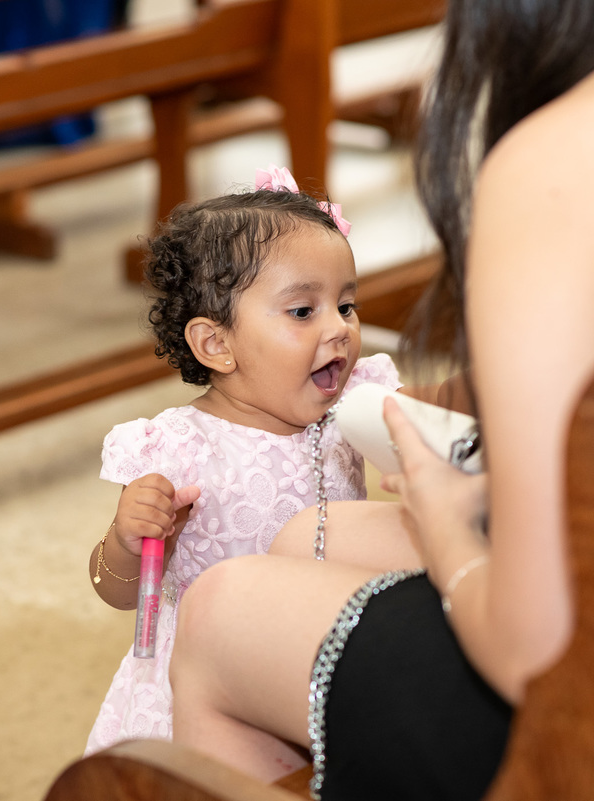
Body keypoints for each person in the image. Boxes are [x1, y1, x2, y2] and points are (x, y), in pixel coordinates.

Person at [168, 1, 594, 798]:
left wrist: (452, 529)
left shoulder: (564, 163)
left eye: (345, 305)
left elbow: (536, 647)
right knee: (304, 539)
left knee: (222, 610)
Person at [84, 167, 414, 755]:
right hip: (213, 677)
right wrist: (127, 541)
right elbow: (116, 592)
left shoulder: (351, 409)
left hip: (322, 641)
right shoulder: (181, 448)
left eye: (346, 304)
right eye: (303, 312)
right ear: (217, 344)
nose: (340, 329)